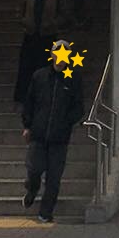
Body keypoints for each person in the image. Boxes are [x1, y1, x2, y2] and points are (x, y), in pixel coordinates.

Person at [21, 40, 85, 223]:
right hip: (39, 134)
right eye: (58, 52)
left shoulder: (73, 78)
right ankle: (32, 189)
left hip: (59, 138)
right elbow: (30, 102)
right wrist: (27, 125)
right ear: (53, 54)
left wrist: (67, 122)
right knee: (34, 169)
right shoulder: (40, 76)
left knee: (54, 178)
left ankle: (46, 212)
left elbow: (78, 106)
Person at [13, 0, 58, 105]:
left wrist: (53, 23)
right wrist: (24, 22)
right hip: (31, 34)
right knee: (27, 66)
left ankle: (46, 94)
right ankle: (25, 94)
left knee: (46, 65)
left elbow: (62, 12)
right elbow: (19, 11)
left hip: (48, 36)